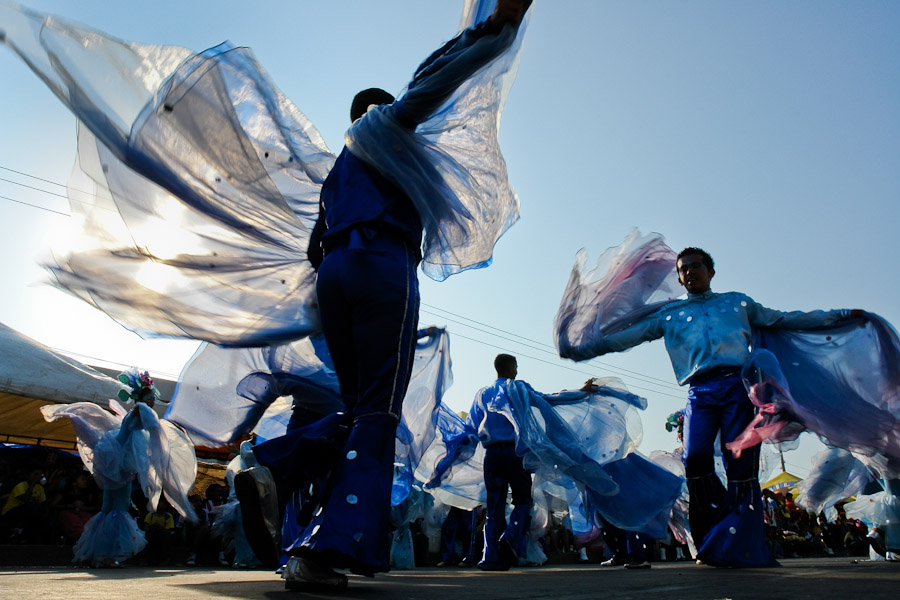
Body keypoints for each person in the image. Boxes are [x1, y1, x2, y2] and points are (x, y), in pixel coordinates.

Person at [230, 1, 532, 590]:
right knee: (379, 413)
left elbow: (317, 250)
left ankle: (279, 472)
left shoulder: (337, 173)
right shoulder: (386, 128)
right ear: (379, 109)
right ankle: (322, 540)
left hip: (337, 273)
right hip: (382, 265)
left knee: (362, 407)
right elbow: (438, 79)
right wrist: (496, 35)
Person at [561, 247, 860, 567]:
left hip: (738, 388)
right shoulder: (669, 314)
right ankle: (712, 540)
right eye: (683, 269)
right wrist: (586, 348)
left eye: (695, 266)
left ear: (710, 271)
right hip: (699, 393)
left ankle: (743, 545)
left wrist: (838, 316)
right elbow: (628, 337)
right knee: (696, 460)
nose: (689, 272)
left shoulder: (737, 302)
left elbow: (784, 320)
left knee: (739, 465)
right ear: (679, 277)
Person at [467, 353, 533, 571]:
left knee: (494, 507)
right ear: (510, 367)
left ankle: (491, 557)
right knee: (523, 500)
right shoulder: (518, 389)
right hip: (515, 453)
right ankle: (511, 536)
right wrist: (581, 394)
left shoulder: (483, 394)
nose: (517, 371)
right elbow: (547, 401)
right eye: (516, 367)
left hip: (493, 456)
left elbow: (471, 428)